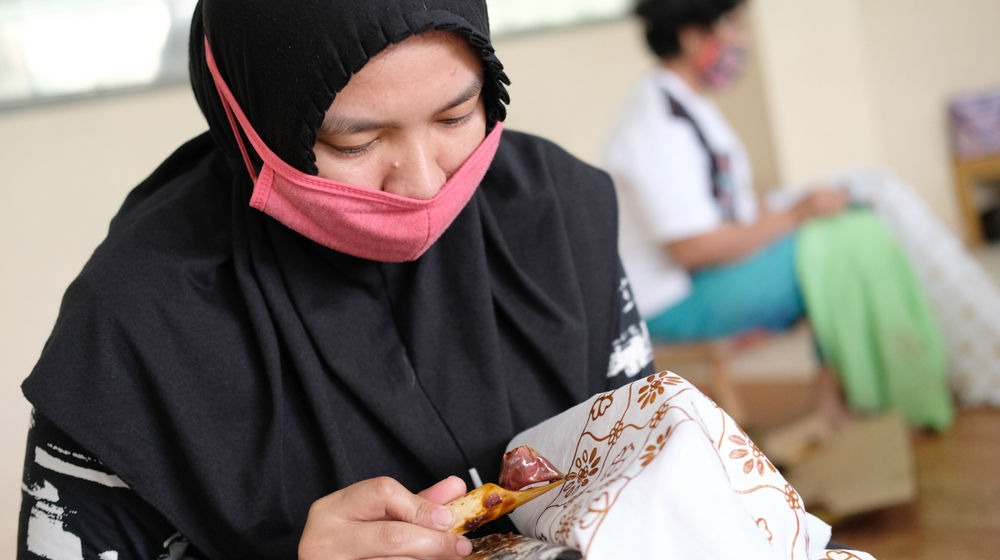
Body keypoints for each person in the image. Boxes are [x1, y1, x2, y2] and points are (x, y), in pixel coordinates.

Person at [17, 1, 655, 558]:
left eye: (456, 116)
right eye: (356, 143)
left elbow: (656, 474)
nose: (424, 183)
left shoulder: (555, 212)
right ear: (250, 118)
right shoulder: (136, 325)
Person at [605, 0, 954, 431]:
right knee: (843, 249)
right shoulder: (656, 124)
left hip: (707, 276)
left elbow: (735, 206)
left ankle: (859, 402)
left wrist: (800, 208)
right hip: (675, 298)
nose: (741, 40)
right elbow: (694, 248)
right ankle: (883, 403)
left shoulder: (690, 106)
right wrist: (799, 215)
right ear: (693, 35)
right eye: (731, 25)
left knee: (854, 227)